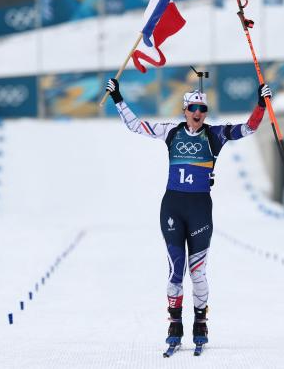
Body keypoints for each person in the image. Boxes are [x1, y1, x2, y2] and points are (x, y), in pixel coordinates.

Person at [105, 76, 271, 350]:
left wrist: (260, 104)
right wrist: (117, 98)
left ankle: (200, 321)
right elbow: (135, 126)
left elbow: (249, 128)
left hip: (200, 210)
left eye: (202, 110)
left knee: (198, 273)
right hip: (172, 207)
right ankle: (174, 323)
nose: (197, 114)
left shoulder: (214, 135)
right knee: (175, 272)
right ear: (184, 110)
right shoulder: (171, 131)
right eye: (193, 108)